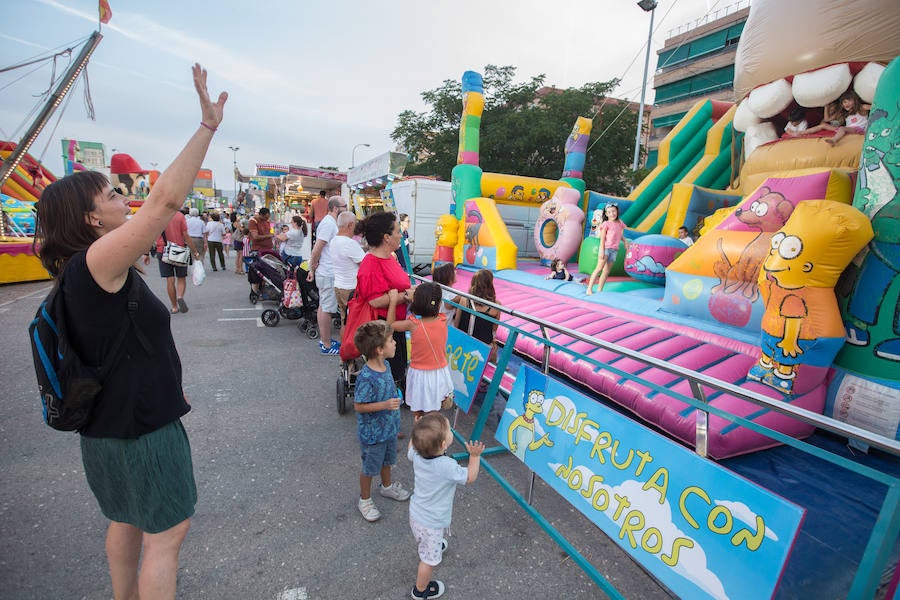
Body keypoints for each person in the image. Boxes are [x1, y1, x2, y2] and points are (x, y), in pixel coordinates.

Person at [32, 63, 226, 600]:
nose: (125, 199)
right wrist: (207, 128)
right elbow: (164, 202)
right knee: (166, 534)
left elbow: (133, 345)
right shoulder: (97, 263)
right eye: (114, 194)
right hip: (138, 432)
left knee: (126, 521)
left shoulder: (87, 269)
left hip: (111, 427)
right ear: (92, 219)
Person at [407, 413, 484, 600]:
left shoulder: (416, 454)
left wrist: (416, 431)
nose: (451, 432)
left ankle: (432, 544)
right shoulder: (447, 466)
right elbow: (470, 477)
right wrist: (474, 457)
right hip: (432, 522)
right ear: (443, 444)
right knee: (428, 561)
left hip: (416, 513)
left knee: (425, 538)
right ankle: (420, 590)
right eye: (449, 430)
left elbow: (411, 447)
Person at [353, 320, 412, 522]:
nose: (395, 343)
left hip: (388, 429)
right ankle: (365, 499)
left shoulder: (386, 365)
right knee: (370, 467)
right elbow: (359, 406)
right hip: (373, 434)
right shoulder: (366, 377)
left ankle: (386, 487)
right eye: (391, 340)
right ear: (379, 349)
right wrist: (385, 405)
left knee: (387, 461)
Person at [355, 211, 417, 391]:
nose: (401, 235)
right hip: (382, 329)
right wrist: (406, 295)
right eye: (398, 231)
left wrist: (406, 293)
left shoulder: (390, 257)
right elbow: (374, 301)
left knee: (396, 369)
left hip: (394, 324)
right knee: (389, 371)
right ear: (386, 237)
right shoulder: (371, 265)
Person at [386, 283, 454, 420]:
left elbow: (390, 325)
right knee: (434, 411)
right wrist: (416, 300)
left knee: (418, 412)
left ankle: (419, 433)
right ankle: (431, 435)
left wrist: (393, 301)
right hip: (438, 373)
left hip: (419, 374)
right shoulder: (442, 319)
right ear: (439, 303)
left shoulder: (412, 324)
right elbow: (430, 309)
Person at [308, 196, 347, 354]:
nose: (346, 208)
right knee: (326, 308)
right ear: (336, 208)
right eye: (344, 206)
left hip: (329, 272)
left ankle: (326, 341)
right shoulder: (328, 224)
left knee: (324, 307)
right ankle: (326, 344)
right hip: (328, 273)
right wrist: (312, 267)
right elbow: (317, 248)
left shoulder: (331, 223)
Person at [156, 208, 200, 314]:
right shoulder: (180, 216)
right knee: (181, 278)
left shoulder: (159, 216)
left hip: (163, 250)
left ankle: (174, 306)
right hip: (179, 251)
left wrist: (146, 253)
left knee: (170, 280)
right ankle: (180, 296)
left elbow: (150, 234)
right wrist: (195, 252)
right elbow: (186, 236)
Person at [453, 269, 501, 364]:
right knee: (494, 347)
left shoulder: (464, 300)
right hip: (483, 348)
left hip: (463, 343)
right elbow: (494, 330)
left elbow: (456, 324)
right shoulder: (496, 306)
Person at [331, 211, 365, 325]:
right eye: (355, 223)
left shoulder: (334, 241)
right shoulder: (350, 244)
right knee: (354, 324)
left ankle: (344, 343)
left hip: (338, 286)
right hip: (351, 289)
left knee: (344, 321)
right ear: (350, 225)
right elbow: (365, 265)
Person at [586, 203, 626, 295]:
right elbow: (602, 238)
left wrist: (625, 241)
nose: (612, 214)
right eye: (609, 212)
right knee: (599, 268)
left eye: (614, 211)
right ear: (606, 214)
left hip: (614, 249)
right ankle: (589, 289)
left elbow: (619, 234)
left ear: (617, 212)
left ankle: (600, 289)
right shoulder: (606, 224)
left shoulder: (620, 223)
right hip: (606, 248)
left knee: (607, 271)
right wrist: (601, 250)